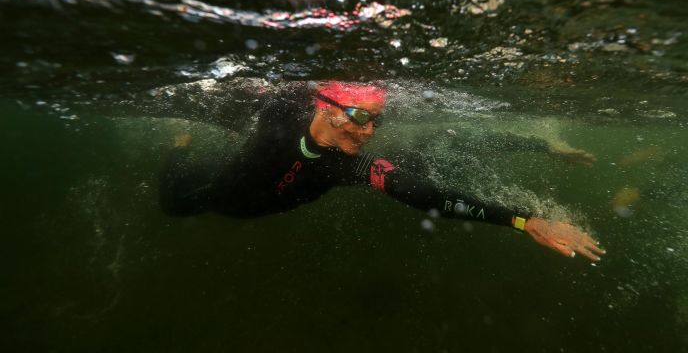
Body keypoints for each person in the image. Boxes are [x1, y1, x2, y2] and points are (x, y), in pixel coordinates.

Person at [160, 81, 605, 262]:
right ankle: (178, 146)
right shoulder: (281, 110)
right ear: (324, 107)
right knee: (173, 202)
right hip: (215, 192)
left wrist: (524, 220)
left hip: (254, 208)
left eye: (377, 120)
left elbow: (428, 195)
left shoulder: (347, 167)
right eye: (360, 116)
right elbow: (235, 96)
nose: (371, 130)